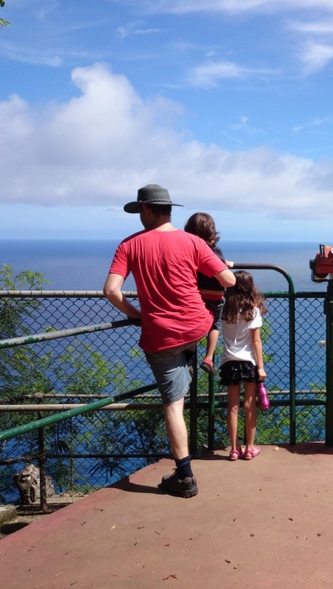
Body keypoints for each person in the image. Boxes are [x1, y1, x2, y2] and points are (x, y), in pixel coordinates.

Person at [103, 184, 236, 498]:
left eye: (139, 211)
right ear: (169, 209)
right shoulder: (192, 242)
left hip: (161, 334)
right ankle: (187, 367)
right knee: (185, 356)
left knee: (173, 406)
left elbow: (111, 291)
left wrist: (136, 314)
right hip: (197, 326)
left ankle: (185, 477)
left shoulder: (129, 245)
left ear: (147, 210)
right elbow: (228, 280)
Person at [219, 270, 267, 461]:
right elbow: (256, 342)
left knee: (232, 406)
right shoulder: (252, 311)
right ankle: (249, 448)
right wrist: (260, 367)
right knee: (249, 405)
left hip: (229, 361)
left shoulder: (225, 310)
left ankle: (233, 449)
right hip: (248, 362)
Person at [184, 212, 233, 375]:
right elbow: (220, 267)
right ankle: (208, 358)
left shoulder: (190, 251)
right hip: (216, 295)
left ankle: (189, 357)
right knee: (214, 325)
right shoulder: (214, 250)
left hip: (198, 295)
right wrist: (227, 264)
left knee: (196, 325)